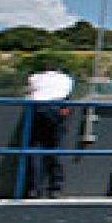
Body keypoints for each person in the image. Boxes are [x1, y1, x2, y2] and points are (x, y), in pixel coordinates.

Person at [24, 69, 74, 199]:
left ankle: (33, 189)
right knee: (56, 148)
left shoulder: (35, 77)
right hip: (58, 107)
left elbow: (30, 92)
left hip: (38, 107)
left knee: (35, 149)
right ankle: (56, 189)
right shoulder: (66, 78)